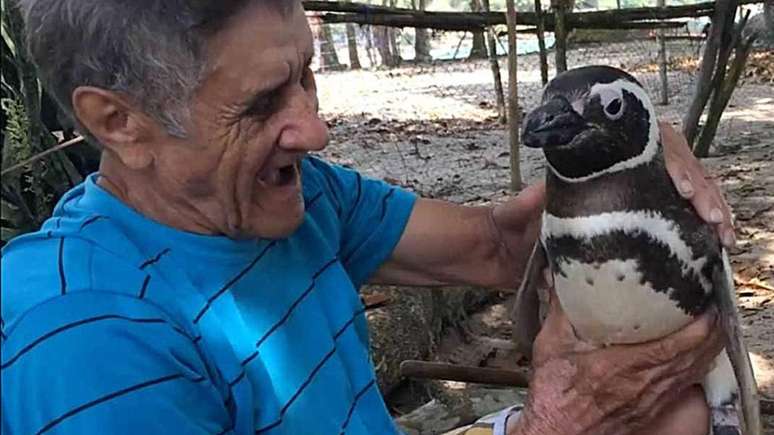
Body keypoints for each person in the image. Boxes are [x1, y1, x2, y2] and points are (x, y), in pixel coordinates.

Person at [1, 1, 735, 434]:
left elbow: (499, 245)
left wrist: (629, 145)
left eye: (306, 75)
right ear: (119, 120)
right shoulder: (86, 339)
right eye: (262, 102)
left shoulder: (289, 195)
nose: (314, 129)